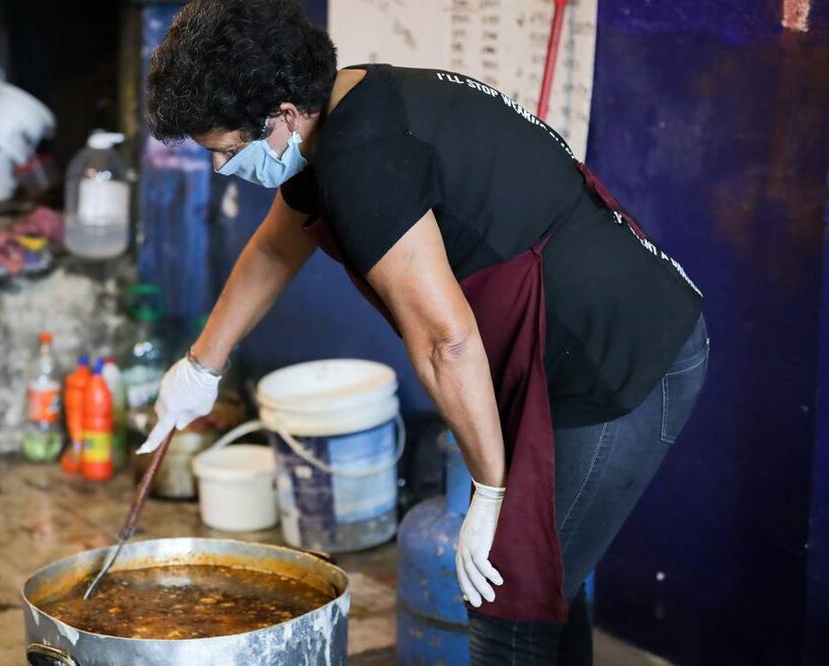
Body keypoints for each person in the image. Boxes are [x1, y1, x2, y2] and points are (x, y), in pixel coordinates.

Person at [140, 1, 708, 662]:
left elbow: (445, 342)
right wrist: (200, 366)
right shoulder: (337, 112)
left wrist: (489, 492)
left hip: (620, 358)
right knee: (550, 581)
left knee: (512, 598)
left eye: (229, 151)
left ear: (283, 116)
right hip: (564, 350)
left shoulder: (365, 156)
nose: (222, 169)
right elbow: (272, 250)